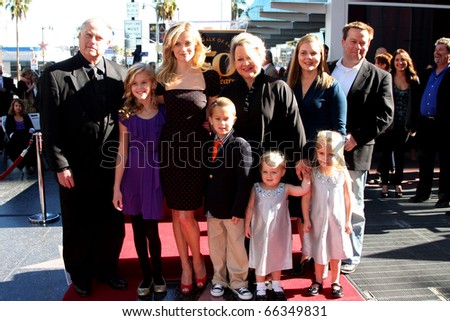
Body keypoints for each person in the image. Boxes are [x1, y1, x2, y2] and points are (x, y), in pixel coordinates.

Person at [40, 18, 128, 297]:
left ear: (108, 42)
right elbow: (50, 125)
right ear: (78, 37)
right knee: (78, 223)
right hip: (75, 166)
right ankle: (81, 274)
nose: (93, 41)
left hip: (112, 166)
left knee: (111, 223)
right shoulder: (56, 74)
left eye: (99, 37)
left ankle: (108, 269)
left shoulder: (120, 73)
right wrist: (60, 165)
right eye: (88, 35)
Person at [155, 21, 220, 295]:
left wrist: (212, 126)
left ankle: (198, 263)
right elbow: (153, 110)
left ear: (197, 45)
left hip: (197, 152)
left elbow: (215, 113)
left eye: (188, 43)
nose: (183, 48)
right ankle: (186, 265)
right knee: (178, 213)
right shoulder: (162, 77)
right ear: (170, 47)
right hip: (170, 150)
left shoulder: (209, 75)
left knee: (185, 214)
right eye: (178, 43)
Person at [329, 21, 394, 274]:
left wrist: (355, 137)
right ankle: (322, 253)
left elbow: (385, 115)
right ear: (343, 41)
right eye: (353, 41)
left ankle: (350, 255)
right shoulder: (326, 69)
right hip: (323, 153)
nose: (358, 46)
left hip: (355, 152)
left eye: (363, 43)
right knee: (321, 205)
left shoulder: (380, 76)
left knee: (353, 206)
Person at [286, 33, 347, 275]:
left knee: (320, 211)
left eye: (314, 53)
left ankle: (323, 256)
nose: (309, 57)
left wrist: (325, 161)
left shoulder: (332, 86)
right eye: (303, 52)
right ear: (296, 56)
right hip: (294, 158)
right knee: (301, 211)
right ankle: (306, 252)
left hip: (321, 160)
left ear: (321, 56)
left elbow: (340, 130)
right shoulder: (287, 85)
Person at [112, 63, 167, 297]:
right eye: (134, 83)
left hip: (155, 172)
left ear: (153, 83)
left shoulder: (165, 110)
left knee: (152, 230)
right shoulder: (125, 114)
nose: (139, 87)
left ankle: (158, 274)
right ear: (129, 86)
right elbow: (121, 152)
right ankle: (145, 275)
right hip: (132, 175)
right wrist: (116, 187)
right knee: (137, 229)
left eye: (144, 82)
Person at [203, 97, 253, 300]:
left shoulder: (240, 145)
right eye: (218, 119)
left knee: (236, 247)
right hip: (214, 208)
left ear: (234, 119)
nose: (222, 123)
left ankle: (239, 281)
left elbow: (245, 181)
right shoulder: (208, 144)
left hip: (233, 210)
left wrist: (238, 209)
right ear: (211, 120)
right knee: (216, 246)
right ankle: (219, 279)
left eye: (226, 118)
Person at [245, 150, 311, 300]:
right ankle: (260, 286)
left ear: (282, 172)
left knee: (277, 256)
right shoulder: (256, 188)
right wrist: (247, 225)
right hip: (260, 232)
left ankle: (276, 284)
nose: (269, 176)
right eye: (265, 172)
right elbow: (250, 207)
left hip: (279, 233)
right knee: (261, 256)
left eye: (273, 172)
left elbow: (302, 190)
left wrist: (307, 178)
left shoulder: (285, 188)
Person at [302, 130, 353, 298]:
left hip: (336, 221)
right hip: (318, 220)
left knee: (335, 253)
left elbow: (347, 197)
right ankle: (317, 280)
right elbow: (306, 197)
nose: (325, 157)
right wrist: (306, 218)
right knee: (319, 252)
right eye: (321, 153)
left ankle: (335, 281)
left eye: (330, 154)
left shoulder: (342, 173)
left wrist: (348, 220)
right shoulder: (314, 173)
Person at [408, 37, 450, 208]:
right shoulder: (427, 74)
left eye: (441, 50)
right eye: (435, 50)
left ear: (449, 54)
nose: (436, 53)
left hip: (445, 125)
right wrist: (413, 122)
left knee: (446, 163)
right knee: (425, 160)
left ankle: (445, 196)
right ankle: (422, 193)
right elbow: (417, 97)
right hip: (425, 124)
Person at [378, 49, 420, 198]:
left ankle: (398, 183)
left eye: (402, 60)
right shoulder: (387, 77)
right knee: (386, 153)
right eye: (397, 60)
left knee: (400, 154)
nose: (400, 63)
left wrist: (414, 125)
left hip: (404, 124)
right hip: (388, 124)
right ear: (393, 62)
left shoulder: (413, 80)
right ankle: (384, 184)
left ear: (407, 62)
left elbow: (416, 104)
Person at [4, 98, 36, 174]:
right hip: (16, 136)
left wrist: (31, 130)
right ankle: (21, 165)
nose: (18, 107)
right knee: (12, 146)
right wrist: (12, 135)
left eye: (20, 106)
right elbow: (8, 129)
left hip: (26, 135)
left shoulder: (25, 116)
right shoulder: (10, 117)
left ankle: (30, 165)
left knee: (31, 145)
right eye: (16, 106)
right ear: (13, 107)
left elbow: (31, 126)